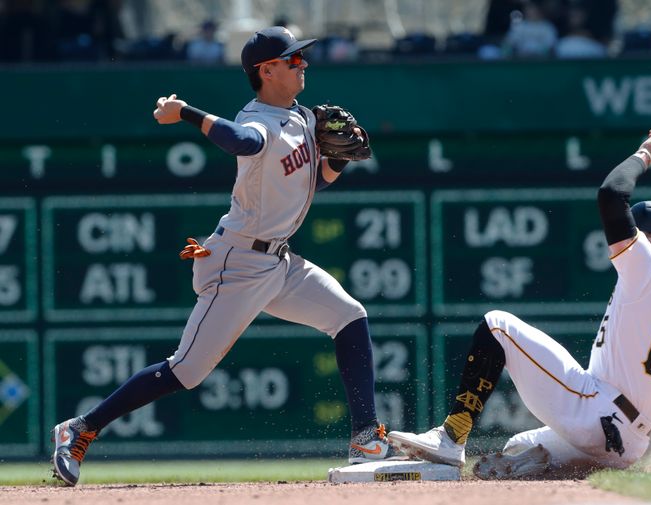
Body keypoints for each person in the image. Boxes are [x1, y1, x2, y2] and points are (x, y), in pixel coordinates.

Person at [51, 26, 398, 486]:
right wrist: (187, 113)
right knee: (187, 370)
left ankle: (364, 437)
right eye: (293, 60)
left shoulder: (301, 118)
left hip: (279, 262)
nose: (303, 65)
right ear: (266, 70)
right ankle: (80, 429)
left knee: (350, 316)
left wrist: (339, 160)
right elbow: (242, 142)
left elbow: (310, 185)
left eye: (301, 58)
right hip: (237, 263)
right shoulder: (258, 121)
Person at [388, 130, 651, 479]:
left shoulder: (647, 268)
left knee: (497, 325)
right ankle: (557, 468)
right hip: (630, 443)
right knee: (517, 447)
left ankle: (450, 438)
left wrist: (645, 153)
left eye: (640, 233)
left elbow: (612, 194)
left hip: (598, 413)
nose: (629, 235)